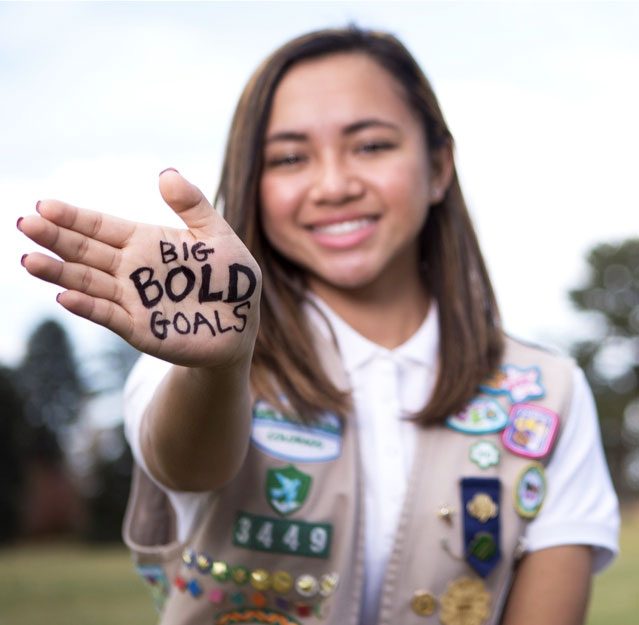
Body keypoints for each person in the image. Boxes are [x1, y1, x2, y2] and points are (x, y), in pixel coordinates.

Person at [18, 26, 618, 625]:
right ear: (253, 182)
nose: (334, 185)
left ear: (438, 166)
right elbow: (187, 464)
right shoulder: (198, 351)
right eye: (289, 158)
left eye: (372, 146)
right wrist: (222, 365)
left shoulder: (550, 394)